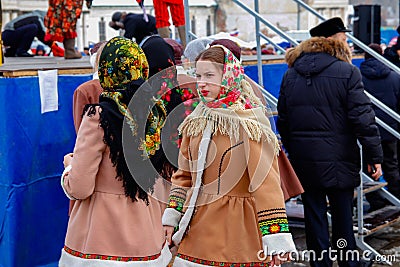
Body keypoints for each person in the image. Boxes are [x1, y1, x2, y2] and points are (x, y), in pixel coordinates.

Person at [162, 45, 296, 266]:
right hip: (197, 228)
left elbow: (266, 185)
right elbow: (183, 175)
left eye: (209, 75)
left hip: (237, 229)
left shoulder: (249, 125)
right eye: (198, 75)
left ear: (228, 76)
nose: (202, 82)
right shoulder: (196, 121)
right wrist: (172, 216)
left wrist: (275, 238)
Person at [277, 17, 383, 267]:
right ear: (329, 41)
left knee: (314, 217)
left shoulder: (290, 74)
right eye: (344, 39)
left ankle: (320, 263)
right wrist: (374, 157)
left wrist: (296, 153)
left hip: (305, 160)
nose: (347, 43)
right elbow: (363, 120)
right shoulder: (347, 72)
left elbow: (283, 121)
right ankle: (348, 262)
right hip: (339, 158)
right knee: (343, 216)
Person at [58, 36, 172, 266]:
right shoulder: (157, 114)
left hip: (101, 237)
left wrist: (70, 166)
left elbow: (80, 187)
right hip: (147, 231)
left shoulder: (98, 117)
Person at [360, 43, 400, 210]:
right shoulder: (394, 75)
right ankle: (395, 198)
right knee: (392, 164)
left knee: (368, 166)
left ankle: (376, 201)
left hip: (367, 130)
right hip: (390, 129)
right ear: (382, 54)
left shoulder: (357, 76)